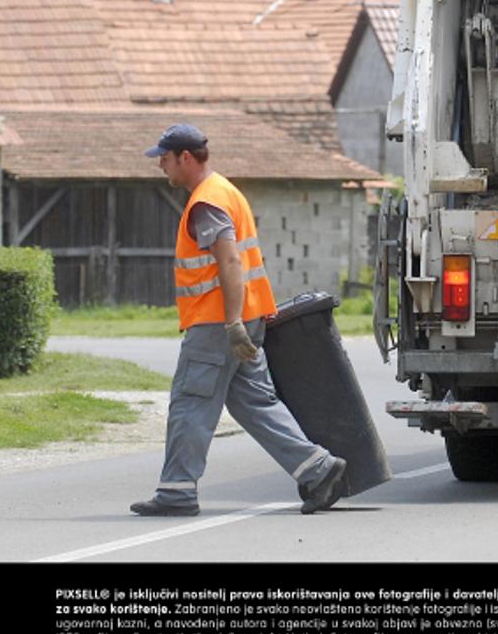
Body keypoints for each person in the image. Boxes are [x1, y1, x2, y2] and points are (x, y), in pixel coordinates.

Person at [130, 124, 346, 516]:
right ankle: (318, 468)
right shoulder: (226, 191)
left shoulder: (206, 202)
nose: (160, 165)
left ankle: (177, 492)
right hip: (244, 318)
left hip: (219, 324)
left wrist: (231, 324)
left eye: (164, 158)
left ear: (186, 158)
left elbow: (229, 260)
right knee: (255, 403)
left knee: (191, 402)